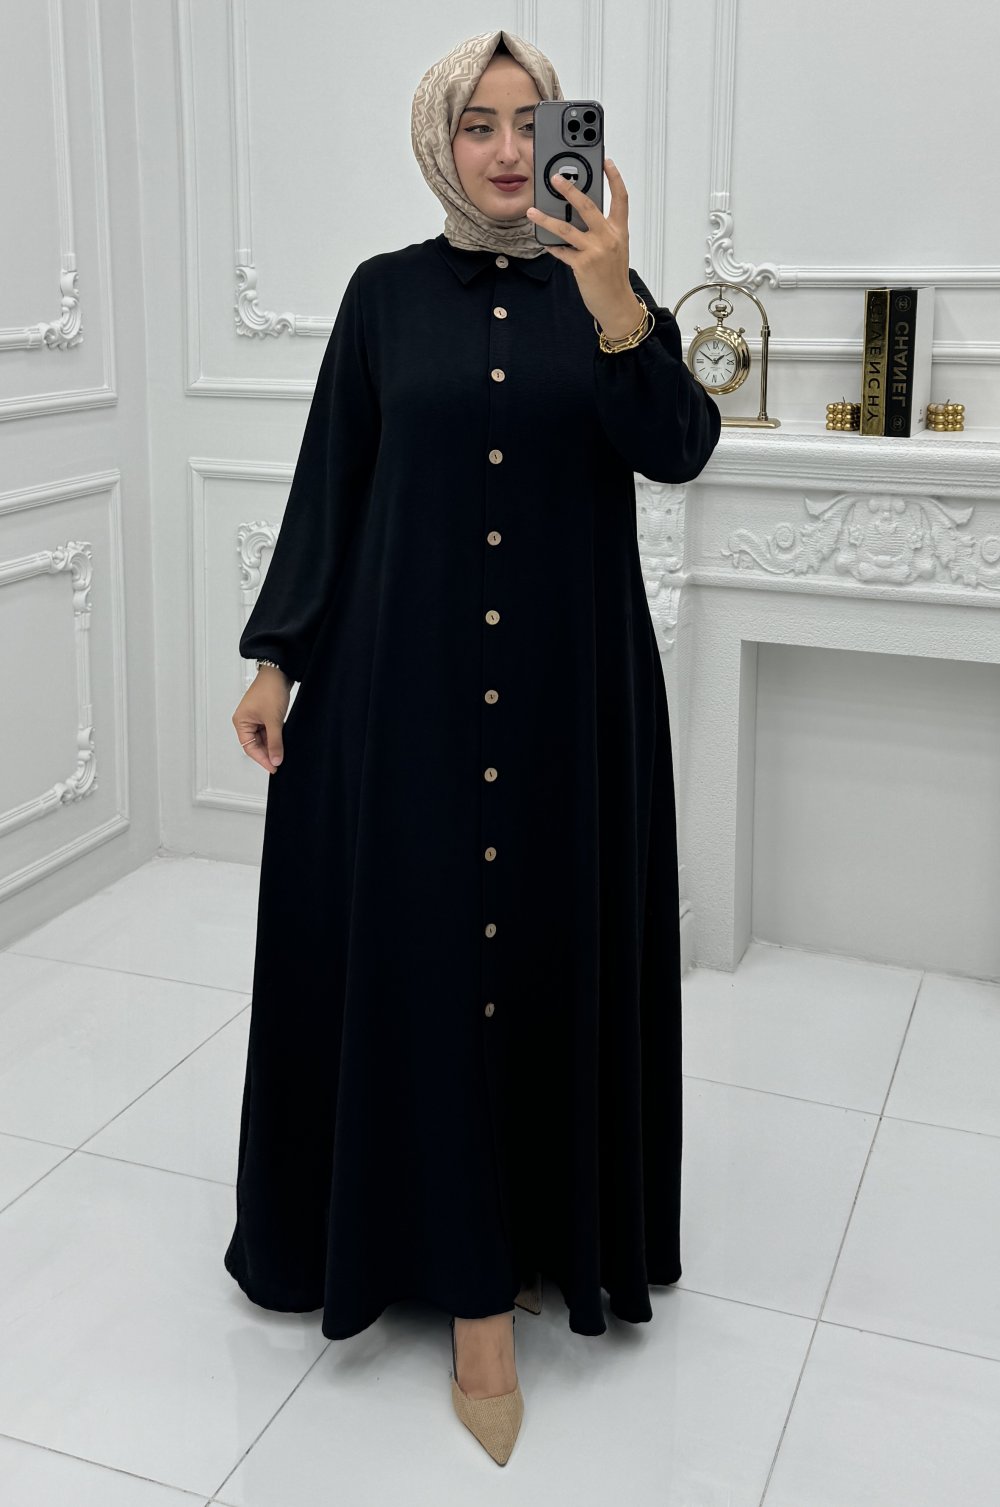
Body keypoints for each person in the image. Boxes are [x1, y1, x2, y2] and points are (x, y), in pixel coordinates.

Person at [224, 28, 722, 1467]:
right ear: (440, 140)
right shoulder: (383, 297)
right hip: (407, 695)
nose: (509, 152)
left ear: (568, 137)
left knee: (544, 949)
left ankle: (537, 1237)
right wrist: (278, 654)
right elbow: (333, 479)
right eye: (479, 124)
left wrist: (616, 301)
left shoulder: (606, 288)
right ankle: (463, 1288)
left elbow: (680, 446)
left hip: (569, 696)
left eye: (531, 122)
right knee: (429, 957)